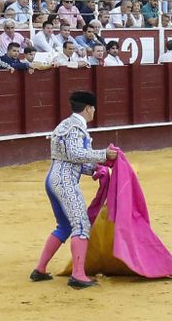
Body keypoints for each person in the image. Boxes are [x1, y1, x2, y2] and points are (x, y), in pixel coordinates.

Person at [32, 90, 120, 290]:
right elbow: (74, 153)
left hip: (54, 178)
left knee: (64, 225)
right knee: (80, 224)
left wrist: (97, 169)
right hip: (64, 181)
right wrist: (102, 155)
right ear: (89, 108)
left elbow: (72, 159)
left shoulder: (66, 124)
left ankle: (40, 269)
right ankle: (78, 275)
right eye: (94, 108)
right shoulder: (75, 128)